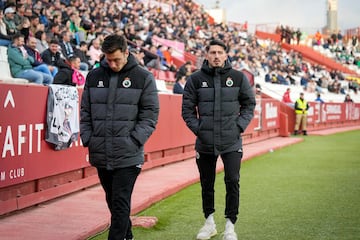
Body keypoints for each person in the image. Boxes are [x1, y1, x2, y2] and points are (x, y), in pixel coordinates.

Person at [80, 34, 159, 240]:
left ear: (126, 52)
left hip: (128, 153)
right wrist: (88, 137)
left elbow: (149, 115)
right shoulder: (94, 76)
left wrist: (133, 141)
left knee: (120, 201)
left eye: (117, 59)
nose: (113, 64)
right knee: (113, 200)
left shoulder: (144, 77)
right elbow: (85, 111)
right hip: (100, 150)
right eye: (108, 59)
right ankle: (128, 236)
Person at [182, 39, 256, 240]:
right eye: (212, 52)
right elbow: (187, 110)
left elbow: (249, 105)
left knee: (232, 181)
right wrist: (200, 130)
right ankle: (209, 223)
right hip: (205, 142)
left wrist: (238, 127)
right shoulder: (195, 79)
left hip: (231, 141)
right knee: (207, 183)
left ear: (226, 55)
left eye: (219, 52)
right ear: (207, 55)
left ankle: (230, 226)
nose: (216, 56)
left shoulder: (238, 78)